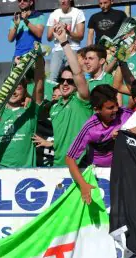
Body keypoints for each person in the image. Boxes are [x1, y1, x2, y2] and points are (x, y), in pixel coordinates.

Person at [33, 23, 92, 166]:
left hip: (81, 166)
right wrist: (50, 143)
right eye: (62, 80)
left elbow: (77, 72)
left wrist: (64, 42)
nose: (65, 84)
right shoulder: (53, 108)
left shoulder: (82, 100)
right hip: (58, 165)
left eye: (70, 81)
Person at [66, 85, 132, 204]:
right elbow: (70, 158)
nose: (116, 109)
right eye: (110, 107)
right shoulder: (90, 128)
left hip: (124, 173)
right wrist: (83, 185)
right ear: (97, 109)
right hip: (98, 175)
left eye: (116, 104)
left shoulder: (127, 115)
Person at [0, 56, 44, 169]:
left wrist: (39, 61)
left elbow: (39, 87)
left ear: (25, 91)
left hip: (25, 173)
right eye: (10, 88)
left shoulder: (30, 111)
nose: (13, 91)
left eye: (18, 88)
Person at [46, 0, 86, 82]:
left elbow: (80, 36)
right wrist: (55, 28)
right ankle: (53, 95)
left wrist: (67, 31)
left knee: (72, 77)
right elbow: (49, 38)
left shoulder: (78, 13)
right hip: (58, 50)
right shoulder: (53, 14)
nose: (63, 1)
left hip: (73, 49)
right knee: (52, 78)